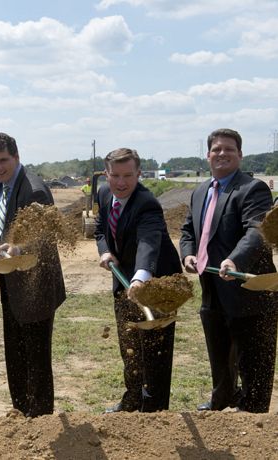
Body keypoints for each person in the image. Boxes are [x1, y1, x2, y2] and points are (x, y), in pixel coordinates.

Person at [180, 128, 277, 413]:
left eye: (229, 149)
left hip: (250, 291)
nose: (222, 153)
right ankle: (221, 398)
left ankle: (253, 412)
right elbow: (188, 230)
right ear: (208, 155)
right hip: (212, 289)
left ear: (240, 155)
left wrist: (235, 260)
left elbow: (257, 231)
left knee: (254, 358)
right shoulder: (200, 191)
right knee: (219, 351)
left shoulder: (253, 189)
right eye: (216, 149)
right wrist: (187, 254)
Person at [0, 132, 66, 417]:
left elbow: (45, 234)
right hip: (11, 283)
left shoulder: (34, 190)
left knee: (36, 359)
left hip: (35, 287)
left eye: (3, 160)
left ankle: (39, 419)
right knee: (15, 355)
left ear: (16, 156)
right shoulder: (2, 185)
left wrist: (17, 248)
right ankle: (20, 412)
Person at [94, 148, 179, 413]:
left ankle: (154, 412)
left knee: (154, 354)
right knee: (129, 346)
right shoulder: (105, 193)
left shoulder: (147, 203)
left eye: (128, 175)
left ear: (139, 174)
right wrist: (105, 251)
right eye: (115, 175)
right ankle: (132, 400)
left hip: (157, 287)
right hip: (123, 282)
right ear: (106, 174)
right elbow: (100, 228)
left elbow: (148, 242)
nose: (121, 183)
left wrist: (142, 276)